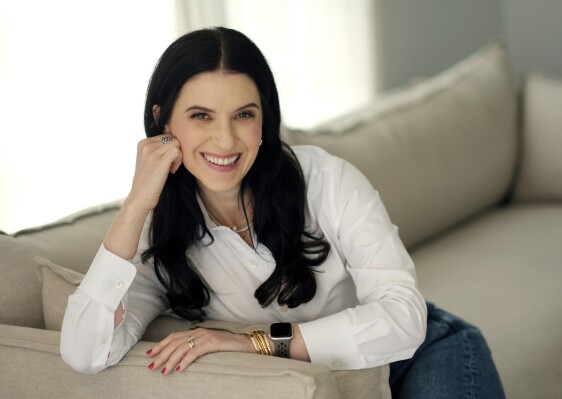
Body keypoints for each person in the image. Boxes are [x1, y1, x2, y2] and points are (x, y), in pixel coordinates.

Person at [60, 27, 505, 398]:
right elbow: (85, 352)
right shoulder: (157, 227)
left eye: (243, 115)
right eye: (200, 115)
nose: (225, 140)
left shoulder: (327, 180)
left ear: (264, 120)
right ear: (162, 121)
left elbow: (405, 320)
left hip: (423, 353)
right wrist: (136, 203)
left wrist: (251, 344)